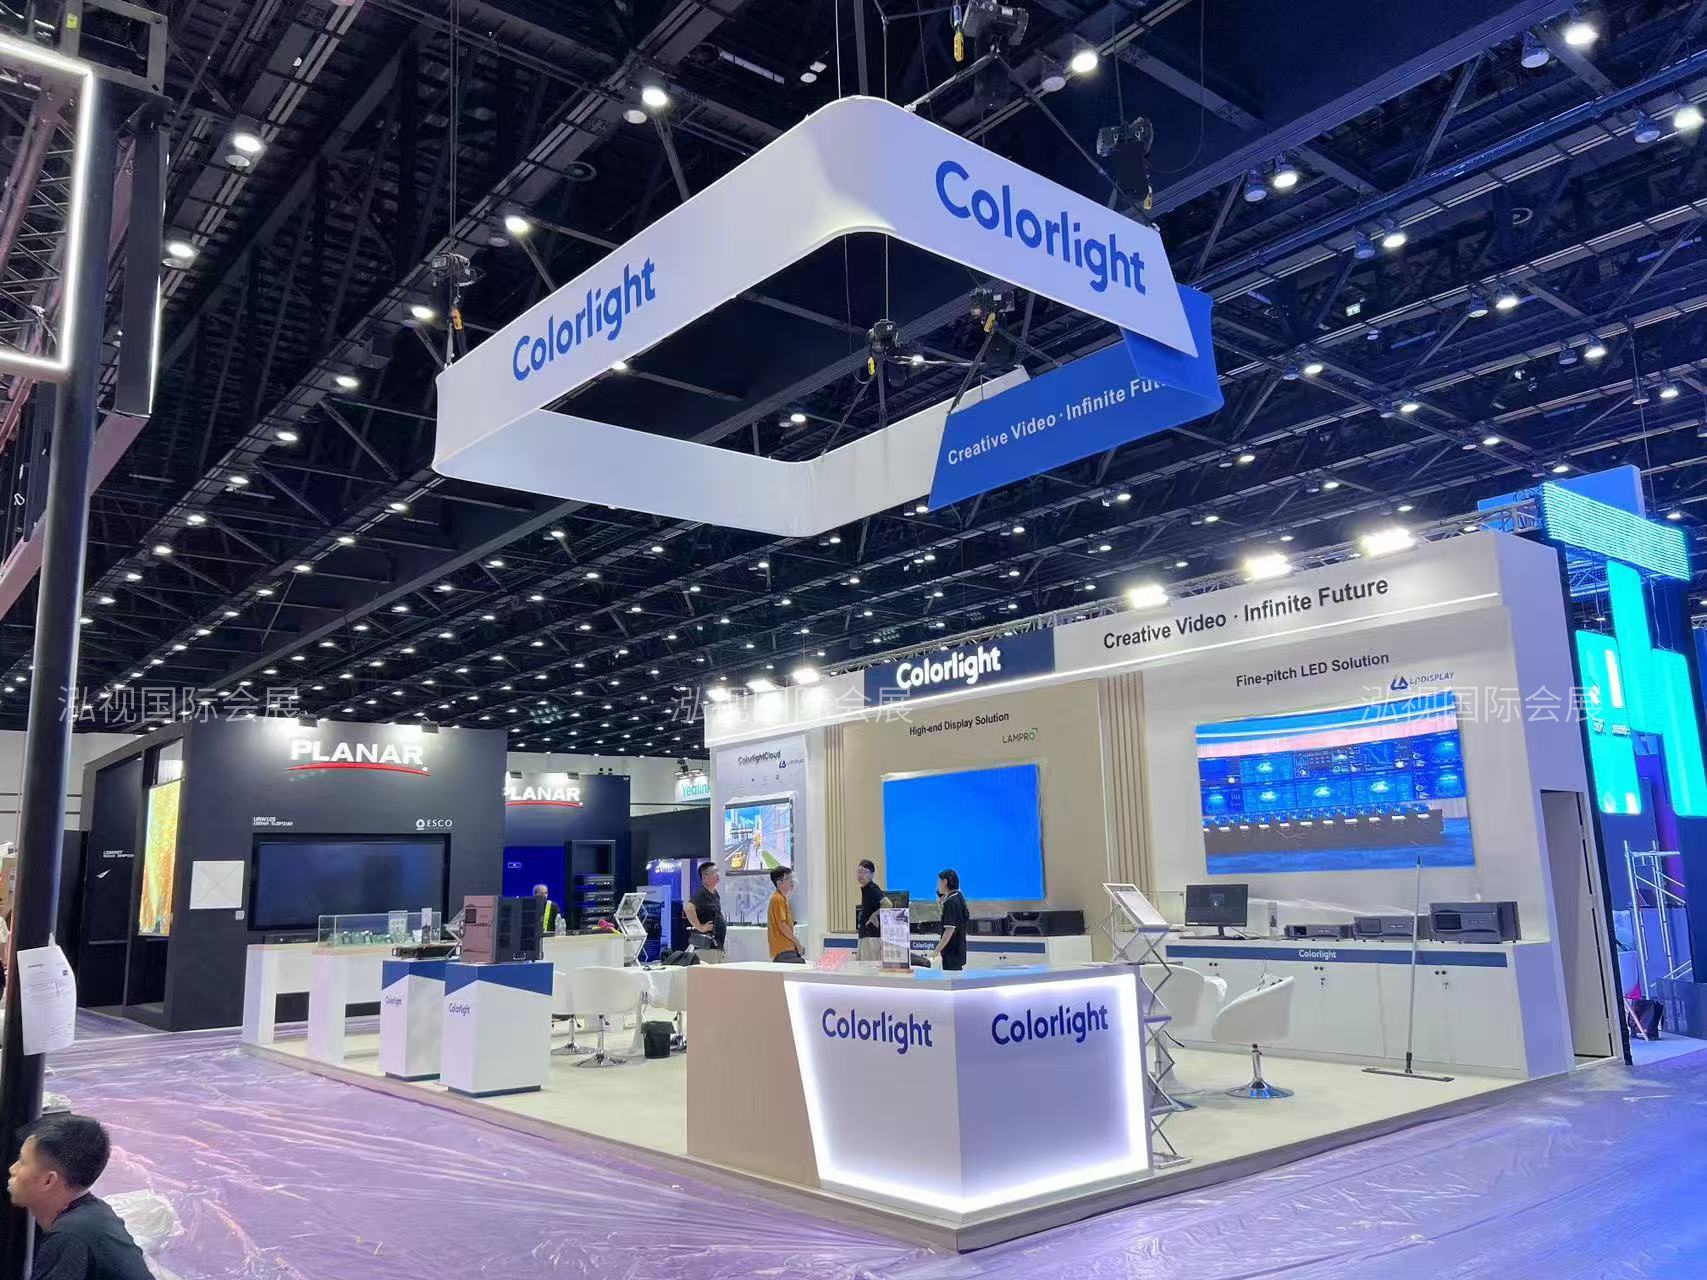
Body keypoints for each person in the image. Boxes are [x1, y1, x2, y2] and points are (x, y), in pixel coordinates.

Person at [8, 1113, 151, 1280]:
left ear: (48, 1181)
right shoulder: (96, 1213)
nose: (12, 1169)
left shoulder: (69, 1238)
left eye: (22, 1162)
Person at [684, 861, 727, 962]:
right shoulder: (702, 893)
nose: (717, 874)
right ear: (704, 877)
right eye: (714, 872)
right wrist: (700, 927)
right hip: (706, 947)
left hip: (716, 946)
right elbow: (689, 908)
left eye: (717, 871)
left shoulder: (714, 893)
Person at [934, 868, 969, 972]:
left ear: (945, 882)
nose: (938, 885)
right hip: (959, 950)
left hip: (951, 952)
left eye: (939, 882)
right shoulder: (959, 896)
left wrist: (936, 950)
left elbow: (949, 930)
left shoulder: (950, 903)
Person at [767, 867, 804, 962]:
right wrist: (797, 943)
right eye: (788, 878)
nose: (791, 881)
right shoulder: (777, 899)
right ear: (779, 883)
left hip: (786, 949)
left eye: (791, 877)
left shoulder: (782, 899)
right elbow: (782, 925)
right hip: (783, 950)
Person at [855, 860, 885, 939]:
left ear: (872, 874)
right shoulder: (865, 889)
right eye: (859, 872)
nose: (861, 875)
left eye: (865, 872)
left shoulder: (872, 888)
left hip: (871, 936)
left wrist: (874, 915)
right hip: (865, 934)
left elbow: (888, 904)